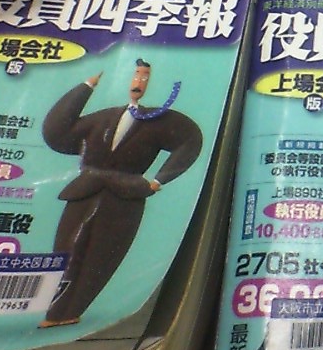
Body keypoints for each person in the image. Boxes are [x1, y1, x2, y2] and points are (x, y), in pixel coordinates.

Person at [39, 59, 202, 328]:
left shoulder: (160, 121)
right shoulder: (101, 118)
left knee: (102, 257)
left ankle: (69, 311)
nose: (138, 83)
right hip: (84, 190)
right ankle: (55, 309)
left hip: (126, 196)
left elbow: (190, 140)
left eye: (144, 78)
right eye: (135, 76)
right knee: (68, 248)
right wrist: (86, 87)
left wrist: (158, 180)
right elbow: (56, 132)